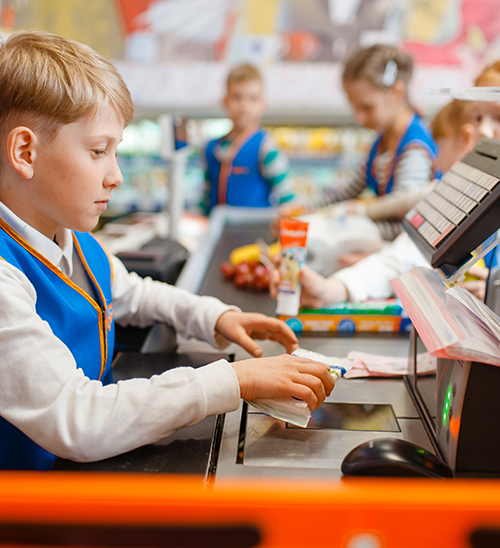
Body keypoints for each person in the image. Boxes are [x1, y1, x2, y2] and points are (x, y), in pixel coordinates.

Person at [0, 31, 335, 471]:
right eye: (98, 151)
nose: (115, 176)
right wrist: (232, 380)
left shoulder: (71, 239)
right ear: (25, 152)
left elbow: (132, 294)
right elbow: (77, 419)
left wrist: (215, 316)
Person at [271, 94, 496, 308]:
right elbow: (407, 253)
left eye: (497, 117)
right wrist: (334, 289)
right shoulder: (455, 193)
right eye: (478, 118)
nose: (483, 131)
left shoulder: (414, 148)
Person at [278, 44, 442, 241]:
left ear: (396, 92)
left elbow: (406, 225)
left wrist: (337, 226)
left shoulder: (414, 148)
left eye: (367, 107)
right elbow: (348, 190)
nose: (359, 118)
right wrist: (304, 208)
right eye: (354, 107)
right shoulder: (383, 140)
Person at [202, 63, 293, 214]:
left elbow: (286, 198)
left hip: (255, 232)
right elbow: (206, 196)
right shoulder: (211, 148)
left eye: (253, 98)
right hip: (215, 230)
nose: (244, 105)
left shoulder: (267, 150)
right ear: (225, 101)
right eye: (237, 97)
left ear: (263, 104)